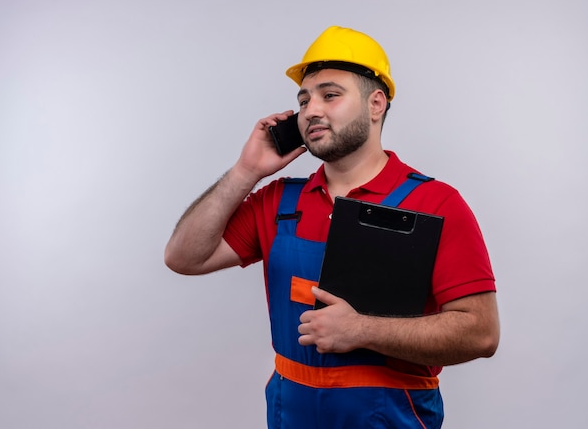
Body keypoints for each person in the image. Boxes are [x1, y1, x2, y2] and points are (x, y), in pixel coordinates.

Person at [165, 26, 500, 429]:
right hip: (291, 413)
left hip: (390, 416)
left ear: (376, 104)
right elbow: (183, 257)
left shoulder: (436, 203)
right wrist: (246, 171)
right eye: (303, 100)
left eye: (330, 95)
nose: (310, 110)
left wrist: (361, 329)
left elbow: (480, 333)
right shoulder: (277, 202)